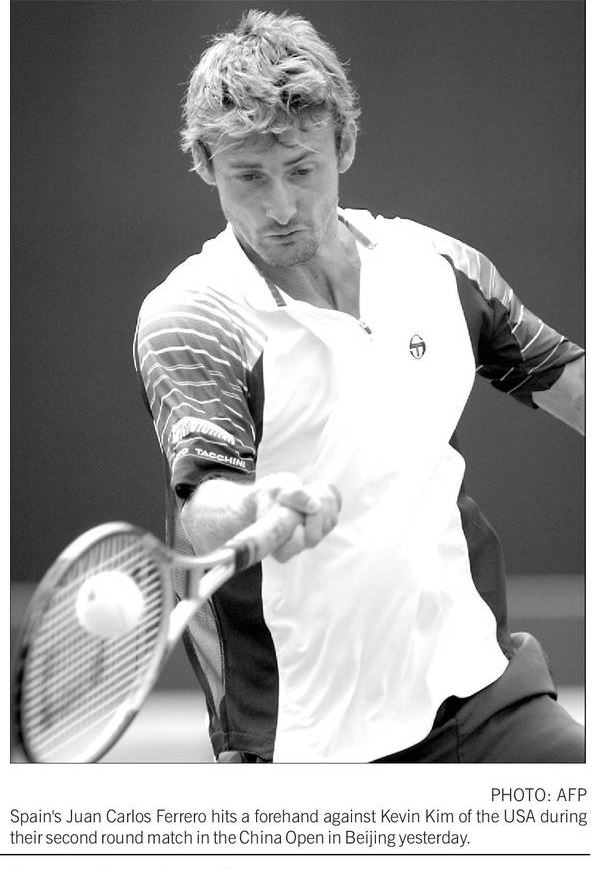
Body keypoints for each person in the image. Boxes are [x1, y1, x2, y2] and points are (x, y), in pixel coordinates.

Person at [134, 9, 585, 763]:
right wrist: (257, 507)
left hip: (478, 687)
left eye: (301, 169)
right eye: (249, 176)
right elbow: (204, 504)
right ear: (207, 165)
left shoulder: (435, 267)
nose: (280, 207)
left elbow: (571, 385)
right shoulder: (192, 314)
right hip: (304, 737)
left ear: (343, 145)